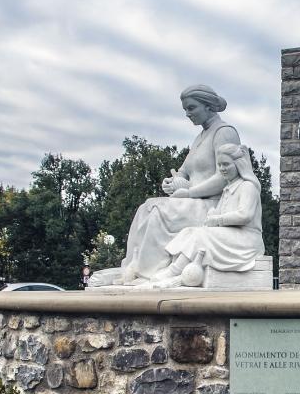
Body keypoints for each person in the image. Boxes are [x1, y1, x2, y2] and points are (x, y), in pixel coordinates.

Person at [87, 84, 241, 287]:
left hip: (212, 205)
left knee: (157, 209)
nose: (187, 114)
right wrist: (171, 182)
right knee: (147, 207)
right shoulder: (200, 137)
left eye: (191, 108)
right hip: (192, 201)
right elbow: (184, 171)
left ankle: (148, 272)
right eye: (185, 109)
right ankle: (133, 267)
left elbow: (224, 178)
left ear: (208, 106)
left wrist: (189, 193)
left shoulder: (224, 132)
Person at [152, 143, 264, 288]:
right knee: (188, 231)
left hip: (247, 239)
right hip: (232, 234)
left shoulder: (248, 186)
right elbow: (220, 213)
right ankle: (171, 264)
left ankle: (175, 270)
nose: (222, 169)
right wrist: (213, 214)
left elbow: (245, 215)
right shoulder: (228, 188)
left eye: (226, 164)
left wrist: (218, 220)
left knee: (201, 235)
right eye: (220, 165)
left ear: (238, 164)